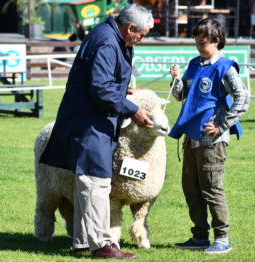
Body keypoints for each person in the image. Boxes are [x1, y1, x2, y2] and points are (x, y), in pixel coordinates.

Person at [39, 4, 154, 260]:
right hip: (90, 122)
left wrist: (124, 92)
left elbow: (102, 80)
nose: (141, 40)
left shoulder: (109, 35)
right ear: (130, 27)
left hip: (91, 119)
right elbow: (100, 88)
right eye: (142, 34)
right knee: (95, 183)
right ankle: (102, 244)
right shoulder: (107, 42)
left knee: (89, 183)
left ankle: (82, 241)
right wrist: (132, 109)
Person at [169, 18, 249, 254]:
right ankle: (200, 236)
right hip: (190, 137)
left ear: (217, 41)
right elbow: (180, 95)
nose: (198, 47)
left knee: (211, 189)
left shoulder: (226, 67)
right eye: (196, 42)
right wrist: (175, 79)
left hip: (211, 139)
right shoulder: (194, 63)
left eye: (203, 42)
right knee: (191, 188)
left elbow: (243, 99)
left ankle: (222, 238)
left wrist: (222, 125)